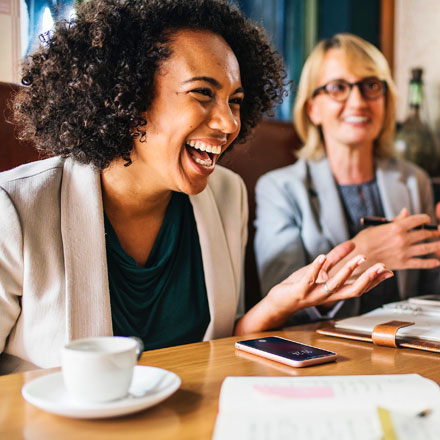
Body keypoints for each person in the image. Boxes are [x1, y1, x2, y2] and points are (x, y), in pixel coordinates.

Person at [0, 2, 389, 374]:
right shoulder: (14, 210)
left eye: (235, 101)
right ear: (127, 95)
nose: (228, 123)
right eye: (203, 92)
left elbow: (215, 348)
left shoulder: (227, 195)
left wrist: (275, 304)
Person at [255, 33, 440, 324]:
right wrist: (363, 254)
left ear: (386, 101)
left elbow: (432, 290)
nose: (358, 101)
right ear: (312, 108)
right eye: (338, 87)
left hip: (406, 346)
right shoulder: (280, 189)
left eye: (371, 86)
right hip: (323, 354)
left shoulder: (414, 180)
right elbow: (280, 301)